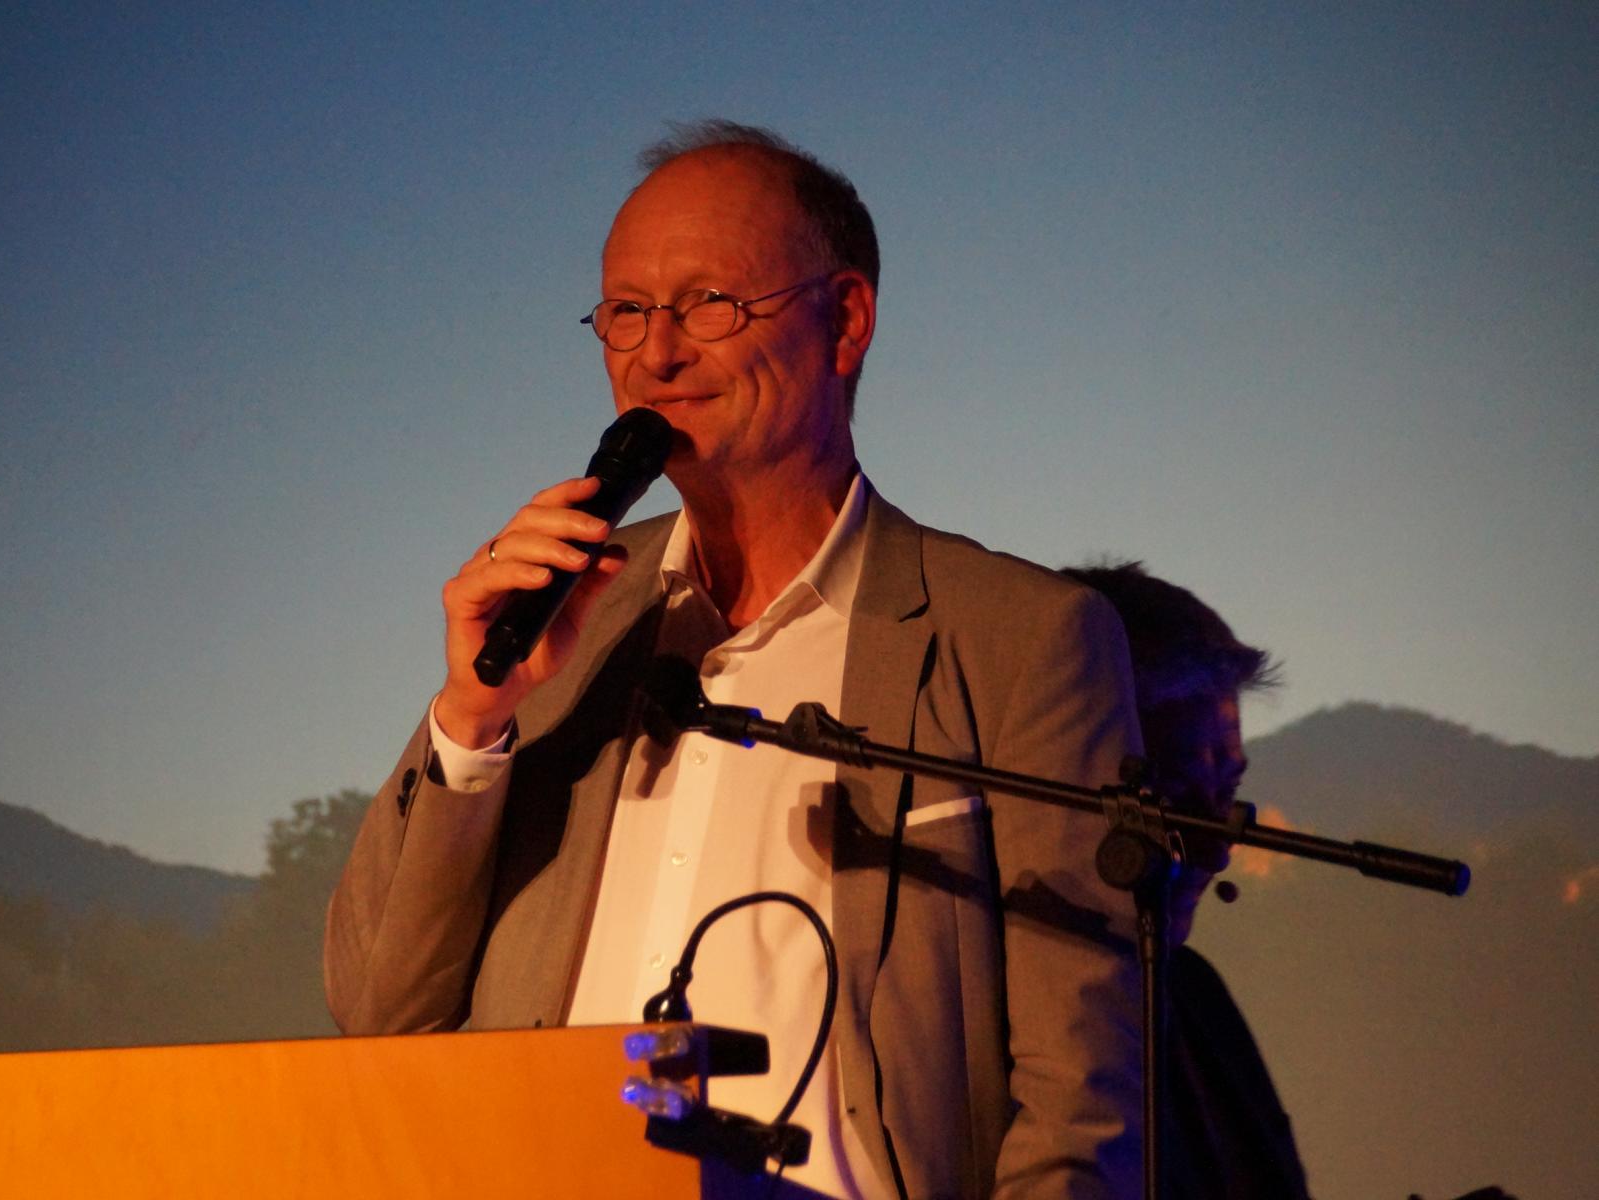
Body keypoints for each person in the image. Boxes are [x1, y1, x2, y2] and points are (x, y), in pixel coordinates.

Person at [326, 120, 1145, 1200]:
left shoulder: (1019, 638)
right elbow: (381, 1009)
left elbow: (1080, 1099)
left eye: (709, 304)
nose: (655, 355)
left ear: (843, 320)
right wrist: (473, 719)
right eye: (626, 312)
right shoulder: (565, 613)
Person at [1059, 561, 1308, 1200]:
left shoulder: (1196, 993)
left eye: (1225, 793)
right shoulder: (988, 1010)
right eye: (1177, 794)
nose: (1216, 849)